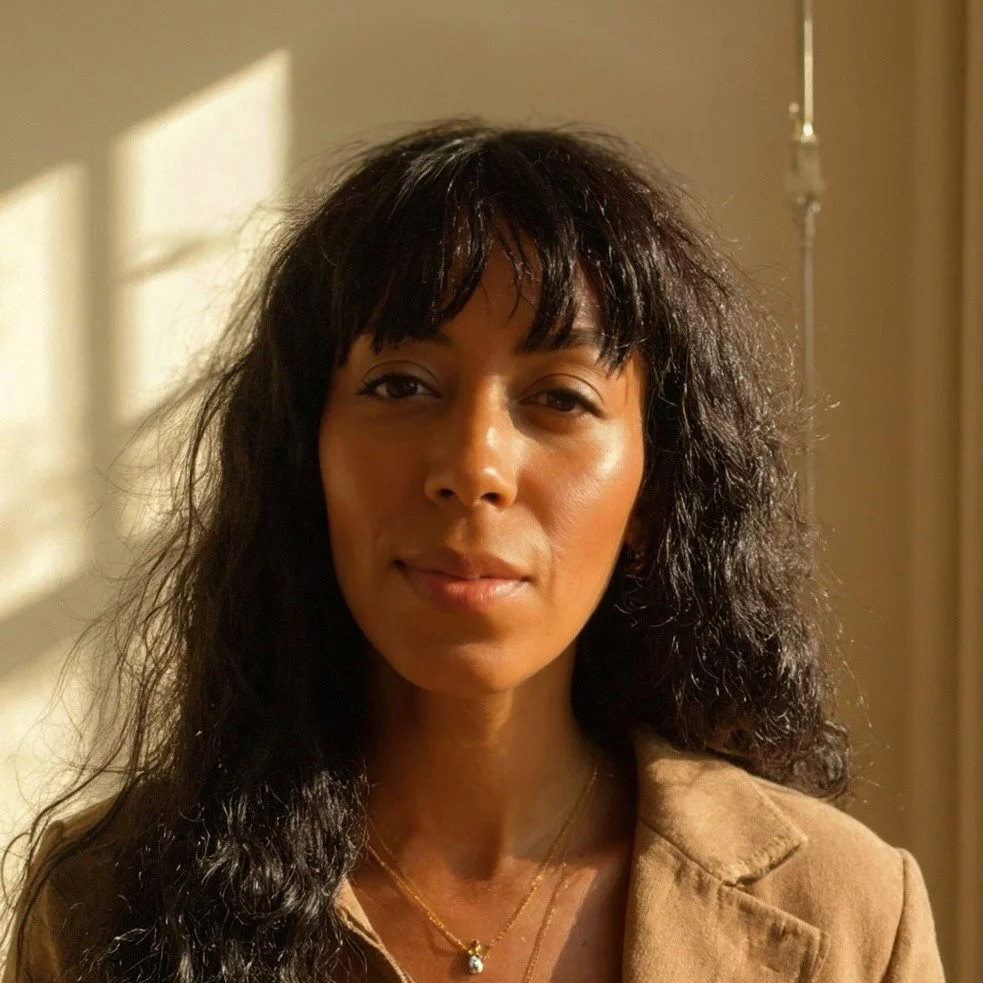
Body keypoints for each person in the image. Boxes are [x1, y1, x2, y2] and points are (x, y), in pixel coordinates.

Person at [1, 119, 945, 982]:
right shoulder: (103, 897)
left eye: (560, 397)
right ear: (304, 459)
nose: (472, 466)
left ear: (653, 494)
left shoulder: (848, 912)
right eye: (400, 384)